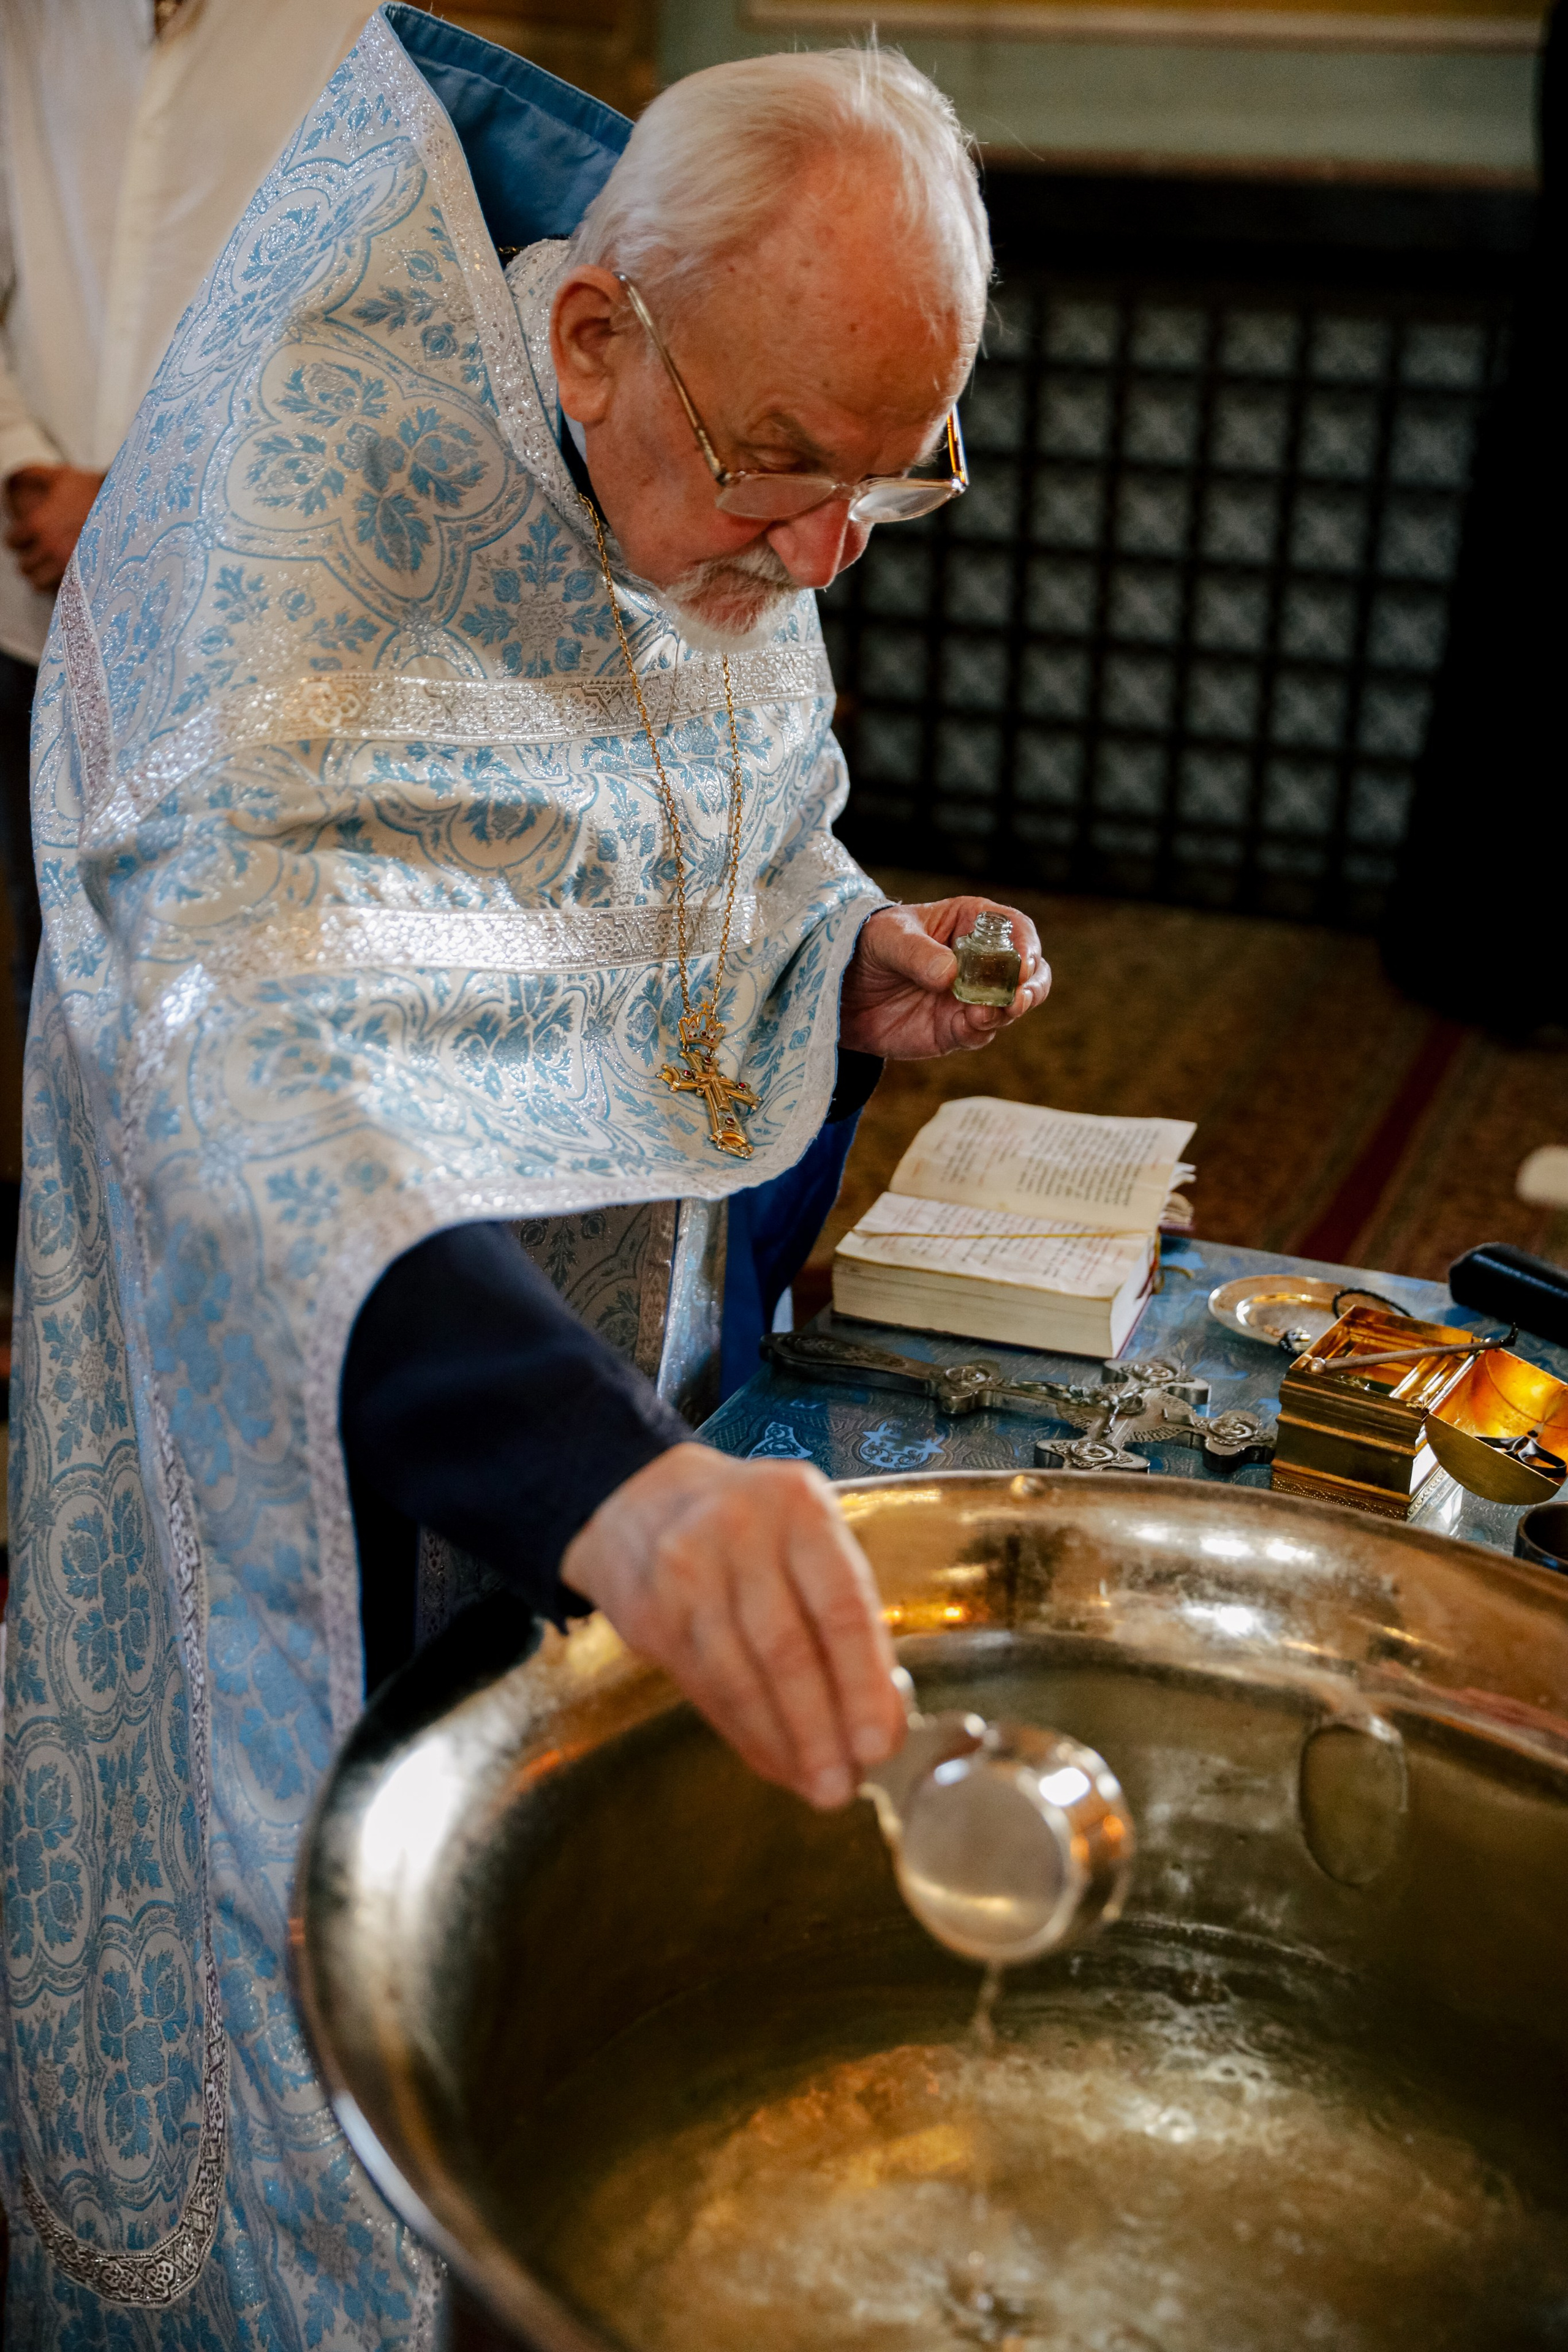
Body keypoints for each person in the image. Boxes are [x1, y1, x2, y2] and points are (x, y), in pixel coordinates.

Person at [0, 14, 1050, 2346]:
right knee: (297, 1994)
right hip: (323, 1411)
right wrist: (629, 1492)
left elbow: (716, 844)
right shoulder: (299, 492)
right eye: (788, 476)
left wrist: (833, 957)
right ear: (588, 338)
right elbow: (239, 1083)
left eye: (890, 492)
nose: (818, 565)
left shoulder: (728, 431)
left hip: (577, 1420)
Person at [0, 0, 376, 1048]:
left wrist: (123, 507)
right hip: (30, 601)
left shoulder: (350, 21)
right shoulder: (27, 23)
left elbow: (354, 318)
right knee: (56, 984)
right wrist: (29, 471)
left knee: (221, 987)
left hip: (238, 616)